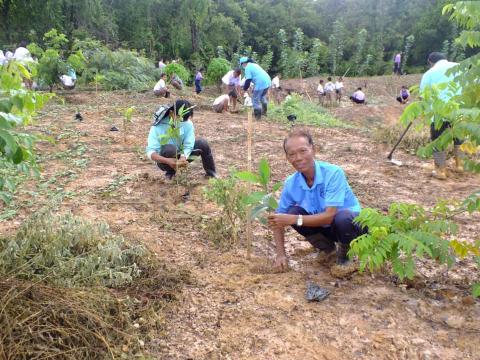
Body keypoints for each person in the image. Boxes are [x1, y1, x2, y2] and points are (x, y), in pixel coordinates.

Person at [267, 129, 366, 272]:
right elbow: (276, 221)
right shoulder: (291, 183)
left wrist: (294, 219)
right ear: (287, 158)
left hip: (351, 228)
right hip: (327, 228)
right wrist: (281, 255)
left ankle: (345, 256)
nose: (298, 158)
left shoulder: (333, 173)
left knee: (342, 217)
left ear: (314, 150)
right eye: (292, 154)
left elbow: (329, 216)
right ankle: (328, 250)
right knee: (292, 211)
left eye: (303, 151)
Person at [146, 100, 217, 180]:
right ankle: (170, 173)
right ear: (172, 113)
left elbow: (189, 144)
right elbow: (150, 152)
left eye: (185, 119)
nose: (182, 122)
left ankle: (211, 174)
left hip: (182, 154)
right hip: (164, 160)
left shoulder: (187, 123)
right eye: (180, 118)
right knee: (170, 149)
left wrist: (183, 157)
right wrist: (167, 161)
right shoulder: (157, 127)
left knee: (203, 143)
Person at [419, 52, 462, 180]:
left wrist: (420, 110)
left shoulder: (429, 73)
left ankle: (440, 171)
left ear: (430, 62)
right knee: (459, 137)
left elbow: (423, 97)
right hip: (460, 110)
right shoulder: (460, 67)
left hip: (439, 114)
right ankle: (460, 165)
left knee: (438, 141)